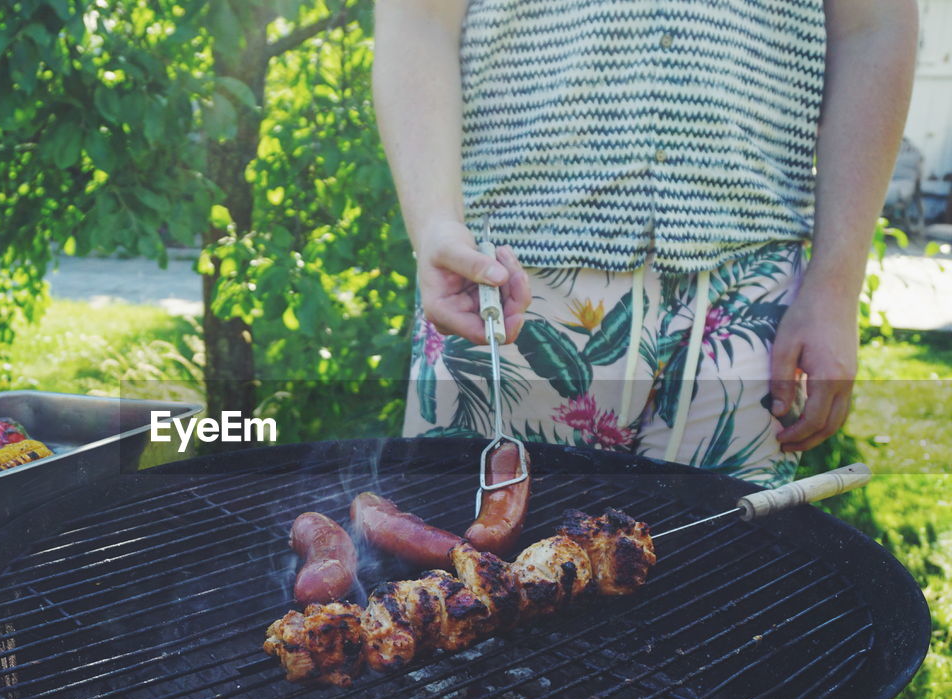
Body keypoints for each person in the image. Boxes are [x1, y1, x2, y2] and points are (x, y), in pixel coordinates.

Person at [373, 0, 918, 485]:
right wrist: (436, 226)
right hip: (506, 287)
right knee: (461, 579)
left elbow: (875, 24)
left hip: (749, 302)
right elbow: (418, 17)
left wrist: (835, 285)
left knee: (726, 582)